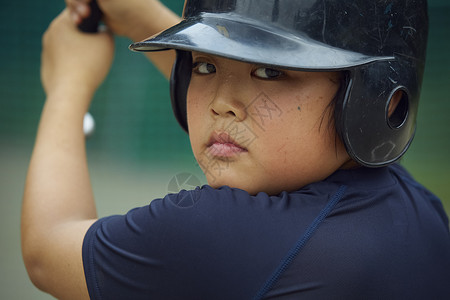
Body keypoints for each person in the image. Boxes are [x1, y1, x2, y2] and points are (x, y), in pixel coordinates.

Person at [22, 0, 450, 299]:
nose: (219, 103)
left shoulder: (216, 233)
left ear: (379, 100)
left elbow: (45, 250)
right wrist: (142, 17)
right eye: (204, 65)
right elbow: (265, 115)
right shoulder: (421, 211)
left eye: (269, 71)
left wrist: (68, 83)